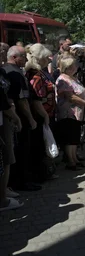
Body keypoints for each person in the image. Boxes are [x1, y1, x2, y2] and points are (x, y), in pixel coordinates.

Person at [3, 46, 41, 191]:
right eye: (23, 57)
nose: (26, 59)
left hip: (12, 118)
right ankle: (23, 181)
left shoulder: (5, 70)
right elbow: (22, 100)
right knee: (23, 151)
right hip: (21, 118)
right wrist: (31, 119)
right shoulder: (15, 73)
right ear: (14, 57)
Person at [25, 44, 58, 181]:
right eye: (46, 58)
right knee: (40, 145)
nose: (49, 60)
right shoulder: (35, 75)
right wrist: (44, 115)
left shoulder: (39, 72)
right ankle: (41, 174)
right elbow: (36, 98)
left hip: (45, 113)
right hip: (40, 115)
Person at [56, 54, 85, 171]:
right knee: (69, 138)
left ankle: (74, 158)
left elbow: (80, 90)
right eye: (74, 65)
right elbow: (70, 97)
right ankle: (70, 162)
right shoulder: (63, 80)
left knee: (75, 137)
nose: (76, 67)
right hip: (68, 113)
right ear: (69, 67)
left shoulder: (72, 77)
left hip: (77, 113)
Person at [0, 66, 23, 212]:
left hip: (4, 120)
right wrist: (16, 118)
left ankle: (4, 193)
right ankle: (2, 200)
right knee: (6, 157)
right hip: (3, 121)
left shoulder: (2, 72)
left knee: (6, 158)